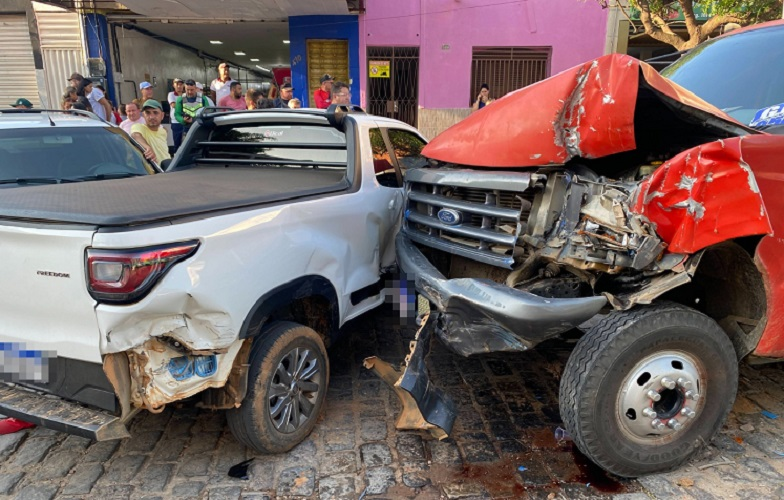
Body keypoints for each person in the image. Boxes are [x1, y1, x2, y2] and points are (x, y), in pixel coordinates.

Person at [168, 78, 185, 150]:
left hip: (185, 121)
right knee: (177, 142)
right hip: (176, 122)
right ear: (173, 85)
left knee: (185, 143)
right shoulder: (171, 94)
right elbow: (173, 105)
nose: (179, 86)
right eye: (177, 84)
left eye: (181, 84)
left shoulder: (186, 94)